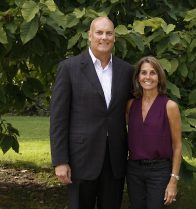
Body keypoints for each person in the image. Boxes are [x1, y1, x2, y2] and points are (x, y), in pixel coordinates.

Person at [50, 16, 133, 209]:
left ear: (115, 37)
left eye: (109, 33)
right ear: (89, 35)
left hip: (115, 160)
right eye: (99, 32)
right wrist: (60, 161)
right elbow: (58, 119)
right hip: (81, 158)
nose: (104, 37)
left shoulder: (126, 70)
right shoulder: (69, 68)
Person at [126, 56, 182, 209]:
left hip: (159, 171)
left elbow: (177, 146)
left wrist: (173, 180)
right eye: (143, 73)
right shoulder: (131, 105)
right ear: (138, 77)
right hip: (134, 170)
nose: (148, 77)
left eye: (152, 73)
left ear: (159, 77)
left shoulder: (170, 106)